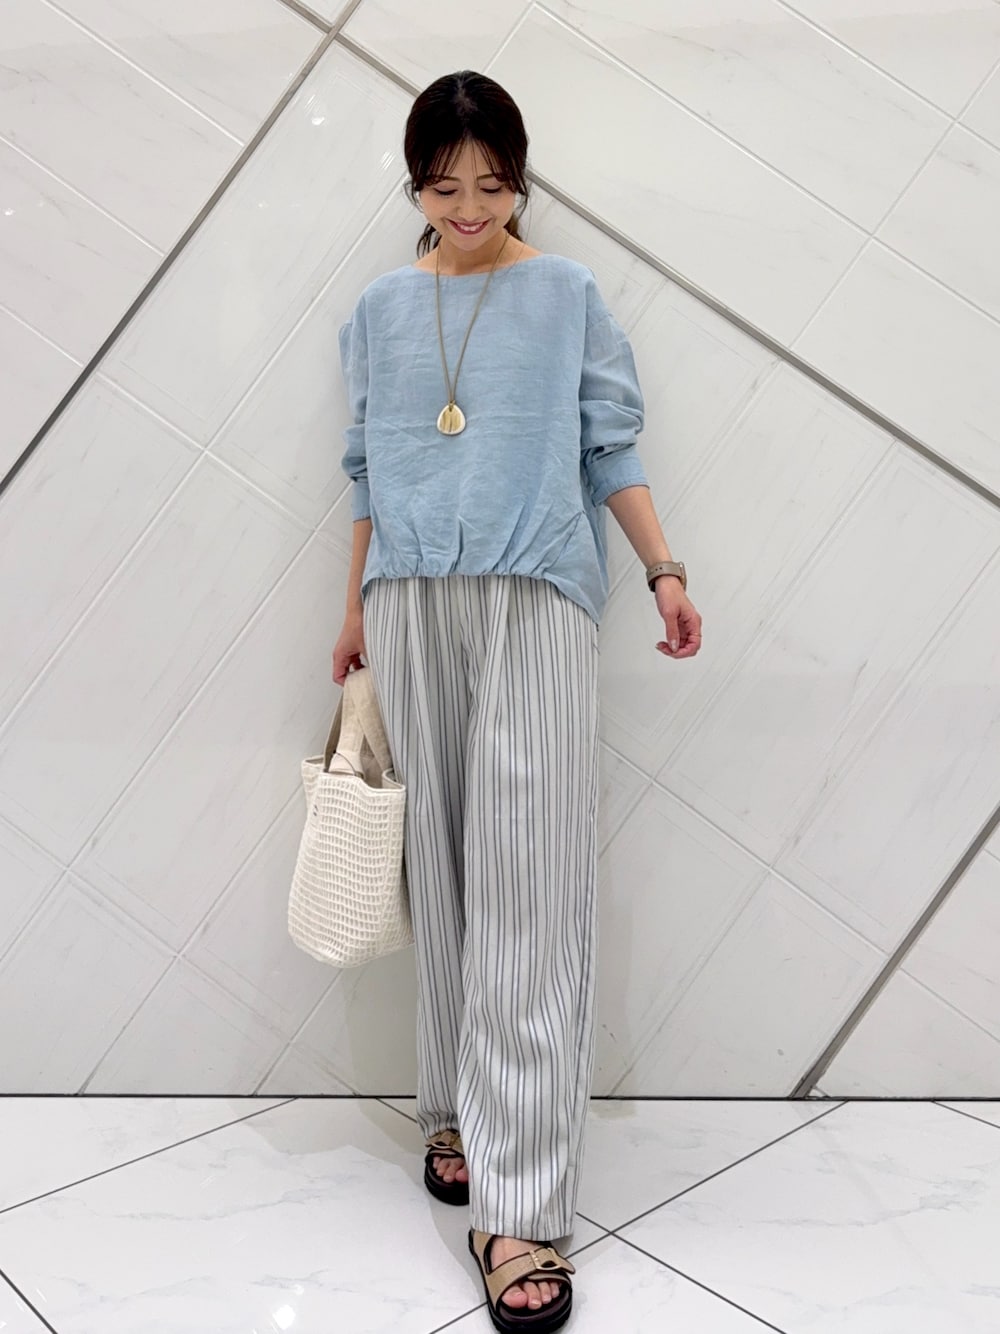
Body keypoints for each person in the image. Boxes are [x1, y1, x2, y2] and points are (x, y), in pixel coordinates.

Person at [332, 70, 702, 1332]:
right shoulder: (380, 309)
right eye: (445, 187)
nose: (470, 207)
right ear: (415, 184)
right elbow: (367, 468)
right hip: (408, 597)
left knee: (530, 888)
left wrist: (661, 568)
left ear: (519, 180)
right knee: (440, 869)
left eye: (492, 185)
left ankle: (521, 1205)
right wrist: (353, 609)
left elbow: (609, 444)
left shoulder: (566, 294)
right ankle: (452, 1106)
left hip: (537, 588)